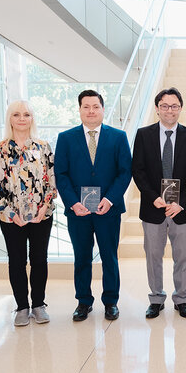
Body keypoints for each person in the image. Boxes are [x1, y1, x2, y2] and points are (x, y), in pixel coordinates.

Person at [54, 90, 132, 322]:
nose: (91, 111)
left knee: (109, 256)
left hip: (108, 209)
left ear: (103, 109)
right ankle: (83, 301)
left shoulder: (118, 137)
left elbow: (125, 172)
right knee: (82, 257)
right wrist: (73, 203)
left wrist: (110, 199)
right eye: (86, 107)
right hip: (78, 211)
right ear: (79, 110)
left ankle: (111, 301)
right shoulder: (66, 138)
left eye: (95, 106)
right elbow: (61, 174)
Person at [132, 87, 186, 319]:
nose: (169, 110)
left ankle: (181, 299)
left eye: (174, 106)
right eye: (164, 106)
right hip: (153, 207)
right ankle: (156, 298)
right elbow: (138, 170)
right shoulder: (143, 135)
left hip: (181, 210)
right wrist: (153, 197)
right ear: (157, 108)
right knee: (153, 256)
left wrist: (181, 202)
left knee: (182, 257)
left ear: (180, 108)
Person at [0, 100, 57, 326]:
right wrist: (10, 213)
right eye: (16, 114)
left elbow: (51, 182)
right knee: (16, 261)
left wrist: (44, 208)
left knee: (39, 259)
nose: (21, 118)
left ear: (32, 118)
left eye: (26, 114)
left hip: (41, 216)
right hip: (11, 218)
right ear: (10, 118)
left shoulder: (43, 147)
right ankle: (21, 307)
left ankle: (38, 304)